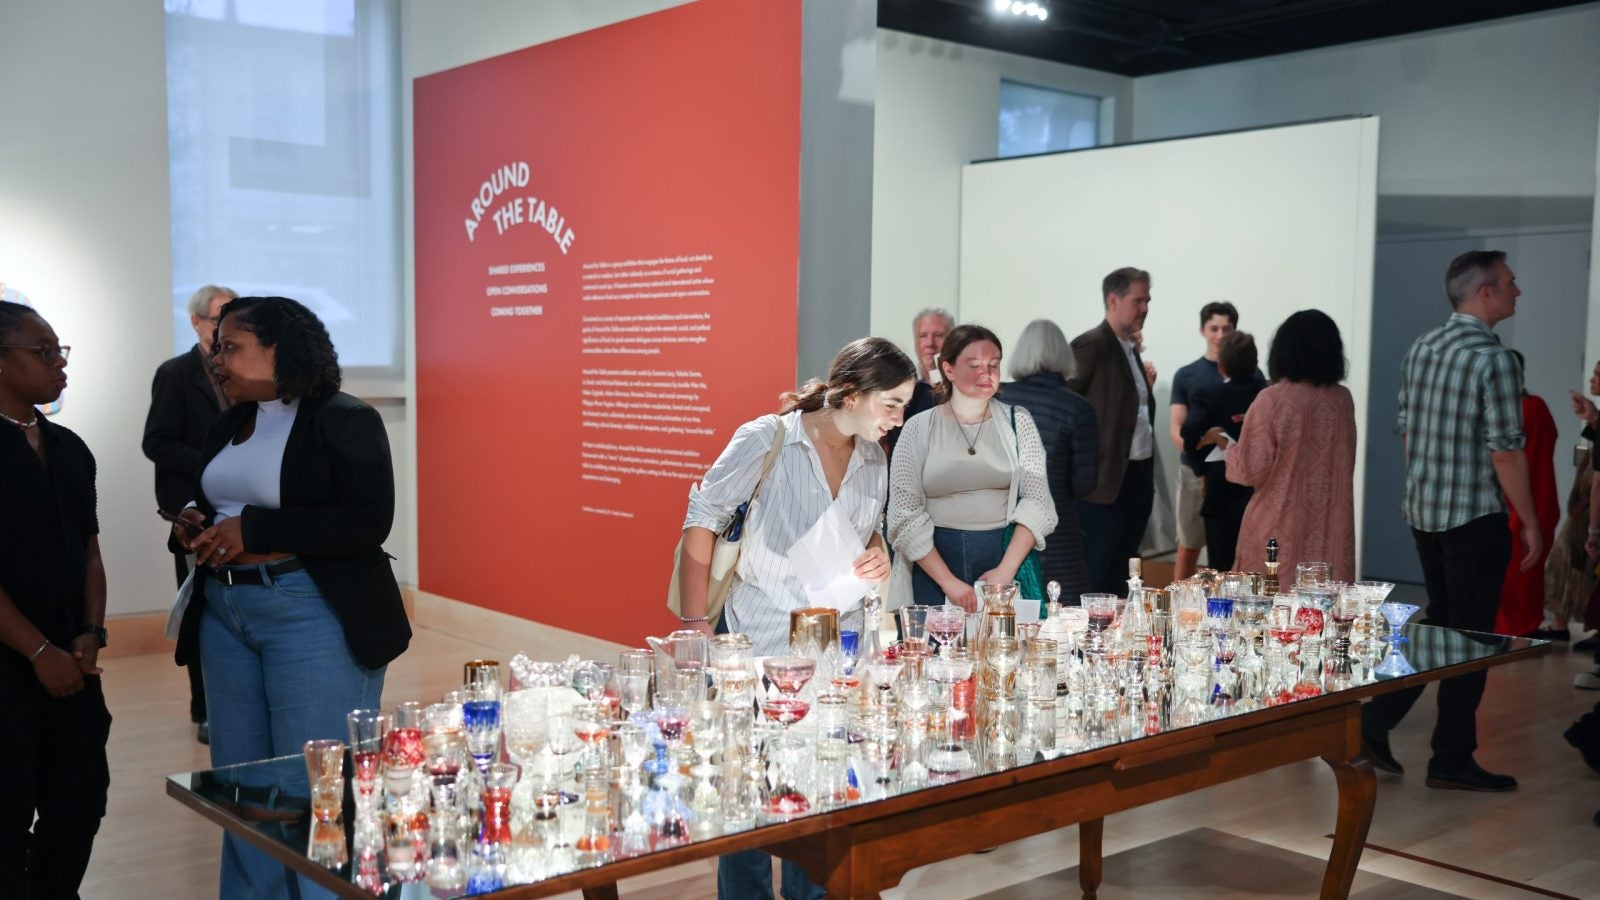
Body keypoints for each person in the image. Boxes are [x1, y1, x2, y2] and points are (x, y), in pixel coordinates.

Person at [170, 296, 410, 897]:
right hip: (226, 613)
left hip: (310, 611)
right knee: (244, 788)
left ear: (280, 348)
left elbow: (364, 520)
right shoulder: (233, 420)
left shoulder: (344, 417)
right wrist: (196, 520)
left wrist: (254, 530)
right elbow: (222, 498)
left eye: (231, 346)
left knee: (316, 787)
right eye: (216, 346)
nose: (217, 359)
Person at [675, 337, 913, 900]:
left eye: (905, 405)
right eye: (892, 404)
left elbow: (864, 532)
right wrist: (693, 623)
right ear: (851, 395)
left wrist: (879, 552)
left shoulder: (874, 457)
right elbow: (701, 521)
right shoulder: (768, 438)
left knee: (818, 785)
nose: (898, 419)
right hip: (757, 641)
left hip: (831, 650)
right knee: (751, 794)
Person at [1362, 250, 1541, 792]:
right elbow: (1506, 451)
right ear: (1484, 292)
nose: (1518, 290)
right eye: (1511, 283)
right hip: (1472, 518)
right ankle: (1450, 757)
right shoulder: (1495, 361)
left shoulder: (1423, 347)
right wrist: (1530, 521)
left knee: (1442, 623)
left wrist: (1426, 486)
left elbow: (1407, 431)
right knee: (1472, 638)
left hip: (1426, 513)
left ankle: (1374, 721)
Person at [0, 301, 112, 898]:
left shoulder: (70, 448)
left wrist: (91, 633)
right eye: (41, 352)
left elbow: (90, 552)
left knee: (80, 804)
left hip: (73, 660)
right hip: (14, 663)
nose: (58, 364)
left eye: (59, 350)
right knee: (6, 818)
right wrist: (38, 650)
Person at [889, 324, 1056, 610]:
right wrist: (947, 582)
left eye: (993, 365)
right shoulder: (918, 427)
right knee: (935, 651)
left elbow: (1038, 503)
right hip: (933, 562)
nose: (986, 374)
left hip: (1002, 557)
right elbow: (903, 513)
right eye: (974, 365)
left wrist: (1005, 571)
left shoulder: (1019, 422)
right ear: (949, 370)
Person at [143, 283, 236, 745]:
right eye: (220, 315)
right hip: (194, 513)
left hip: (240, 510)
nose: (226, 324)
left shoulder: (246, 370)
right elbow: (155, 443)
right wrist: (211, 462)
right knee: (201, 611)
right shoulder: (176, 373)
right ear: (197, 322)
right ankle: (204, 709)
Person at [1228, 311, 1356, 581]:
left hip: (1278, 524)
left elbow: (1250, 470)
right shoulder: (1342, 400)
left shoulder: (1271, 400)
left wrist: (1229, 450)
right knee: (1323, 613)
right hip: (1329, 527)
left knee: (1268, 612)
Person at [1069, 267, 1155, 596]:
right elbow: (1067, 404)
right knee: (1096, 571)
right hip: (1102, 484)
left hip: (1134, 478)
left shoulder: (1129, 348)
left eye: (1148, 300)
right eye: (1138, 300)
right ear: (1113, 300)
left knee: (1122, 571)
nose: (1145, 308)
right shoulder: (1091, 344)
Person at [1002, 319, 1099, 603]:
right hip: (1059, 534)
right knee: (1062, 619)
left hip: (1003, 528)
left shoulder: (999, 398)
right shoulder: (1079, 409)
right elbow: (1084, 484)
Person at [1181, 330, 1265, 572]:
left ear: (1221, 366)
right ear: (1256, 362)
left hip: (1221, 488)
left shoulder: (1209, 394)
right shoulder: (1267, 395)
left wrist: (1201, 471)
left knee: (1222, 568)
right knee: (1260, 568)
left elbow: (1190, 434)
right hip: (1261, 490)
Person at [1494, 350, 1559, 637]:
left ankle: (1511, 625)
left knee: (1512, 568)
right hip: (1539, 497)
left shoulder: (1508, 411)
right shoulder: (1536, 407)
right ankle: (1523, 624)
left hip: (1510, 498)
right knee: (1525, 569)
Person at [1550, 360, 1600, 644]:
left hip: (1591, 508)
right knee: (1568, 559)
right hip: (1587, 505)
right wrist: (1592, 417)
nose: (1592, 381)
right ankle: (1561, 621)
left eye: (1596, 376)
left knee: (1571, 558)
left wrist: (1593, 528)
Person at [886, 307, 952, 456]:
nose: (930, 343)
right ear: (915, 342)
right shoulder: (902, 390)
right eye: (923, 336)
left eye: (938, 335)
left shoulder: (963, 391)